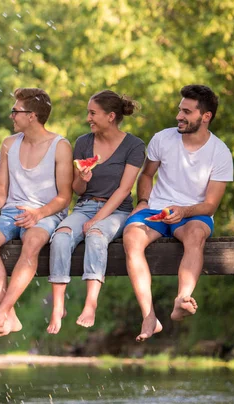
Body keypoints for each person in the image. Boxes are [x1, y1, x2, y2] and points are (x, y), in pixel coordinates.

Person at [123, 84, 233, 342]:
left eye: (187, 111)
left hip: (194, 214)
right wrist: (142, 201)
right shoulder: (162, 138)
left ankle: (182, 299)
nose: (179, 116)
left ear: (205, 116)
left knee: (196, 234)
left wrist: (184, 210)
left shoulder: (220, 153)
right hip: (156, 207)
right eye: (179, 110)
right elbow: (147, 175)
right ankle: (148, 315)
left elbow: (211, 205)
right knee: (131, 237)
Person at [0, 88, 73, 338]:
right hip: (10, 212)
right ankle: (9, 314)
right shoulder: (9, 143)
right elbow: (0, 190)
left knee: (32, 242)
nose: (11, 116)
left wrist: (39, 214)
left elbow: (64, 197)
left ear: (31, 116)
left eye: (15, 111)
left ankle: (0, 312)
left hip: (46, 213)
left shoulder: (60, 146)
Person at [47, 91, 145, 334]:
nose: (88, 118)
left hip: (117, 211)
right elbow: (77, 189)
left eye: (93, 113)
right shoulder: (83, 142)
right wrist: (82, 178)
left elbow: (123, 190)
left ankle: (91, 303)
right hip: (85, 205)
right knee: (60, 236)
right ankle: (58, 306)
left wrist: (96, 220)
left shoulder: (134, 145)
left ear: (111, 116)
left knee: (97, 235)